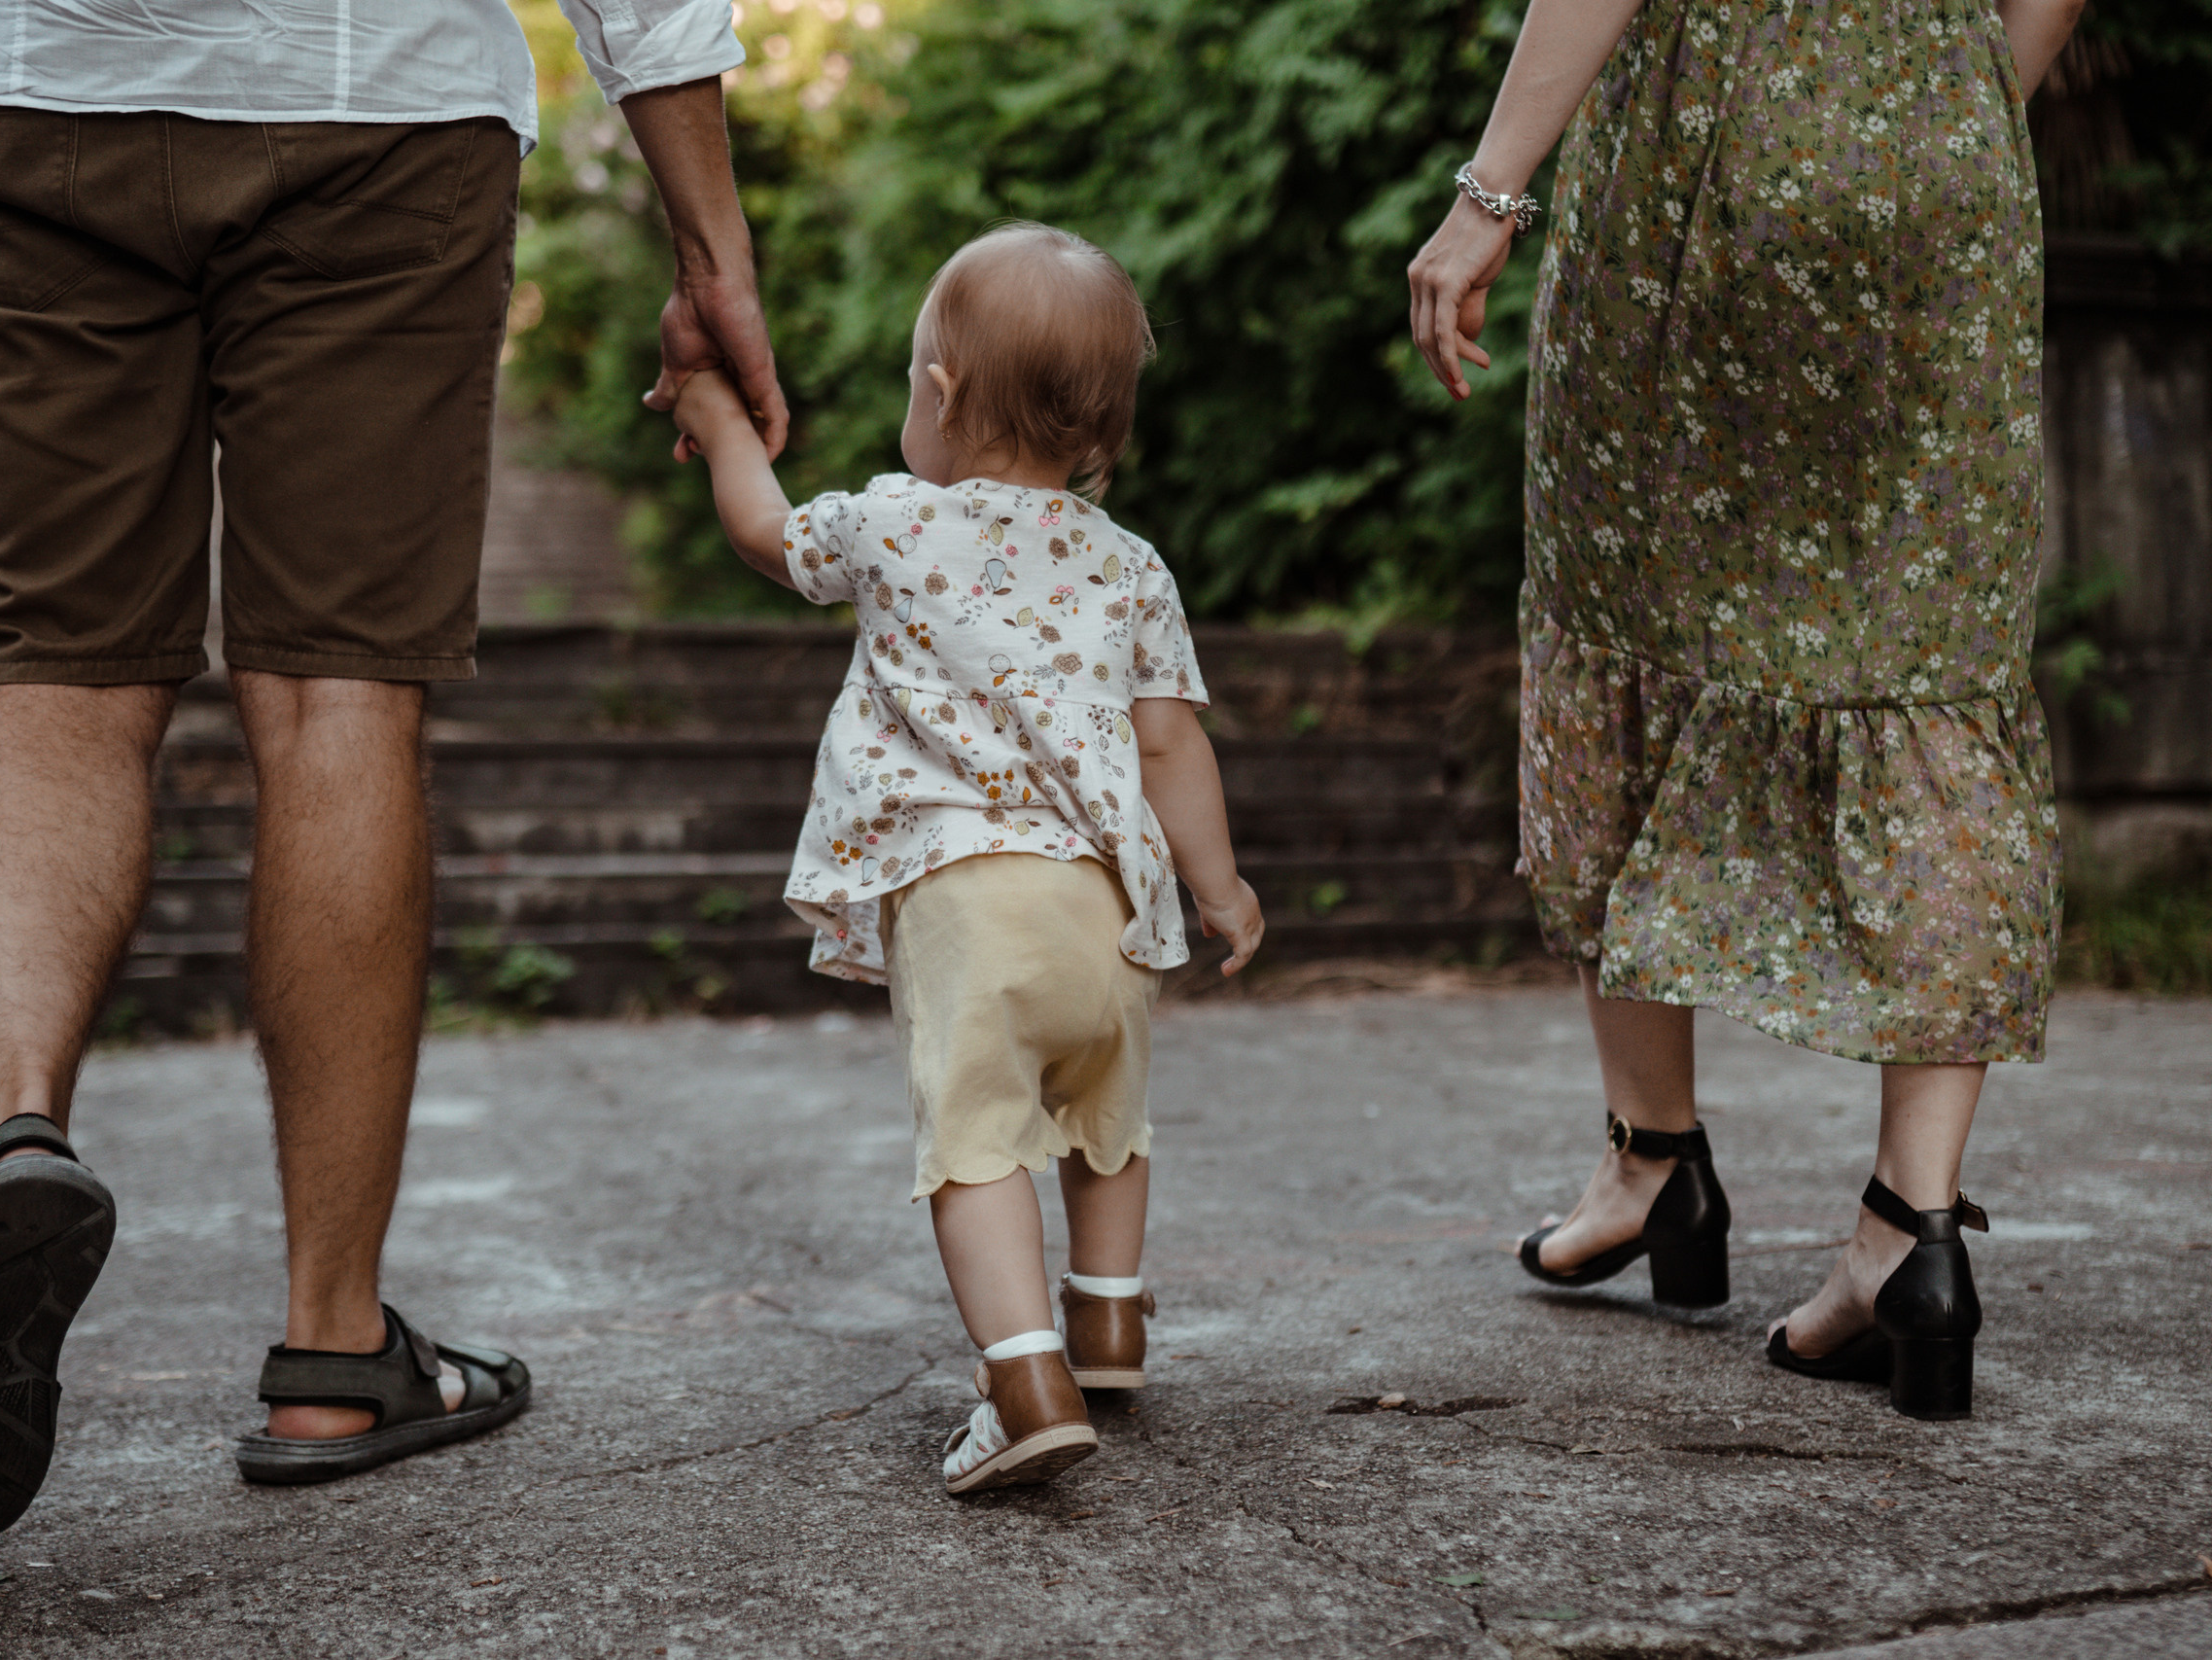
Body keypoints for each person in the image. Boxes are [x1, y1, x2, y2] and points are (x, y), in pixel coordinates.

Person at [0, 0, 785, 1538]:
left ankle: (8, 1139)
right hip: (376, 108)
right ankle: (335, 1351)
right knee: (339, 690)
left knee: (60, 668)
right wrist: (710, 247)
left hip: (33, 85)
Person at [1405, 0, 2088, 1420]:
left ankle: (1654, 1157)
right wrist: (1943, 105)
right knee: (1933, 667)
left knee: (1630, 621)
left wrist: (1489, 197)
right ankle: (1912, 1232)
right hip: (1942, 154)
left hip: (1700, 157)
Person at [668, 223, 1264, 1494]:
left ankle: (1024, 1377)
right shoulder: (1132, 567)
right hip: (1108, 913)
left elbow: (769, 536)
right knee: (1107, 1110)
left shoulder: (893, 526)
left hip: (970, 910)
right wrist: (1216, 886)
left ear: (938, 394)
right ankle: (1107, 1317)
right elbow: (1169, 751)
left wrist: (722, 424)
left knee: (978, 1143)